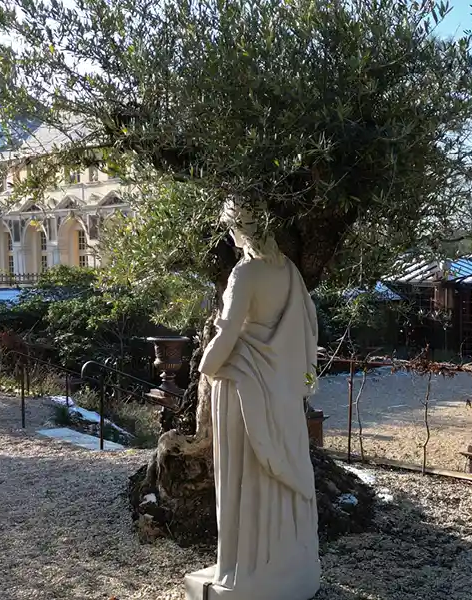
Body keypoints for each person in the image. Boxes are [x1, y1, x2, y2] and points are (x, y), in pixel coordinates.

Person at [182, 198, 321, 600]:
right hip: (280, 390)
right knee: (277, 473)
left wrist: (206, 367)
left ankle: (246, 568)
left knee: (246, 476)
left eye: (232, 227)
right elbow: (307, 329)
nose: (231, 235)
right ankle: (285, 564)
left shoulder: (245, 273)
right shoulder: (290, 273)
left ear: (242, 229)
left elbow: (226, 334)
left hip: (243, 386)